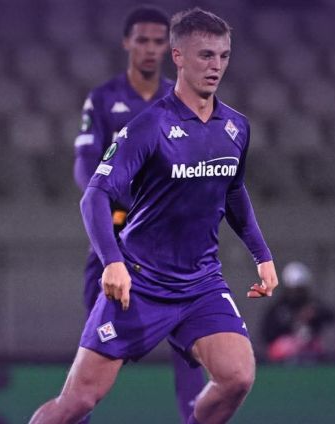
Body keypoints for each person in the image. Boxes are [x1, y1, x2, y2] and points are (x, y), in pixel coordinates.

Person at [31, 8, 278, 424]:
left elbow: (234, 191)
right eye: (205, 55)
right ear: (177, 56)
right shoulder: (150, 126)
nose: (216, 66)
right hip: (141, 282)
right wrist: (113, 262)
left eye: (223, 56)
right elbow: (94, 196)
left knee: (237, 376)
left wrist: (262, 254)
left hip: (201, 283)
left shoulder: (236, 127)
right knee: (78, 402)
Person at [73, 5, 204, 423]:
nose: (150, 48)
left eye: (158, 41)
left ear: (170, 47)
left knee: (192, 343)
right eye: (142, 40)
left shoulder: (182, 99)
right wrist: (112, 201)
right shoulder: (103, 99)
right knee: (96, 342)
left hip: (171, 243)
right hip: (116, 236)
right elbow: (85, 165)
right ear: (127, 42)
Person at [261, 261, 335, 363]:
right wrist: (295, 320)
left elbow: (331, 315)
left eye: (300, 290)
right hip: (285, 349)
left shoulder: (311, 303)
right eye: (295, 290)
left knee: (317, 345)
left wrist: (315, 313)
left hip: (309, 346)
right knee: (285, 346)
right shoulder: (279, 307)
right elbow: (267, 333)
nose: (297, 293)